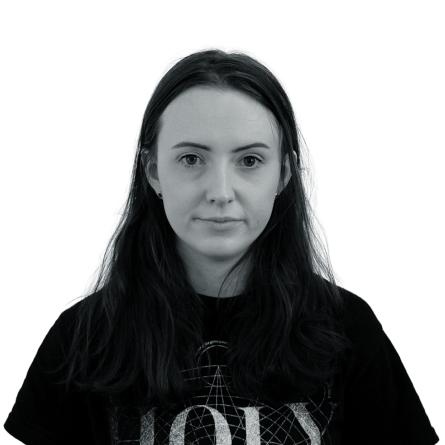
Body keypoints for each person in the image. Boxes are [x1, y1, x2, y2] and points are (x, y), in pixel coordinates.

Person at [4, 49, 439, 445]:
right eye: (191, 159)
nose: (220, 192)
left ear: (283, 174)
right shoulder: (83, 338)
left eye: (249, 161)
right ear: (153, 171)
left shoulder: (348, 330)